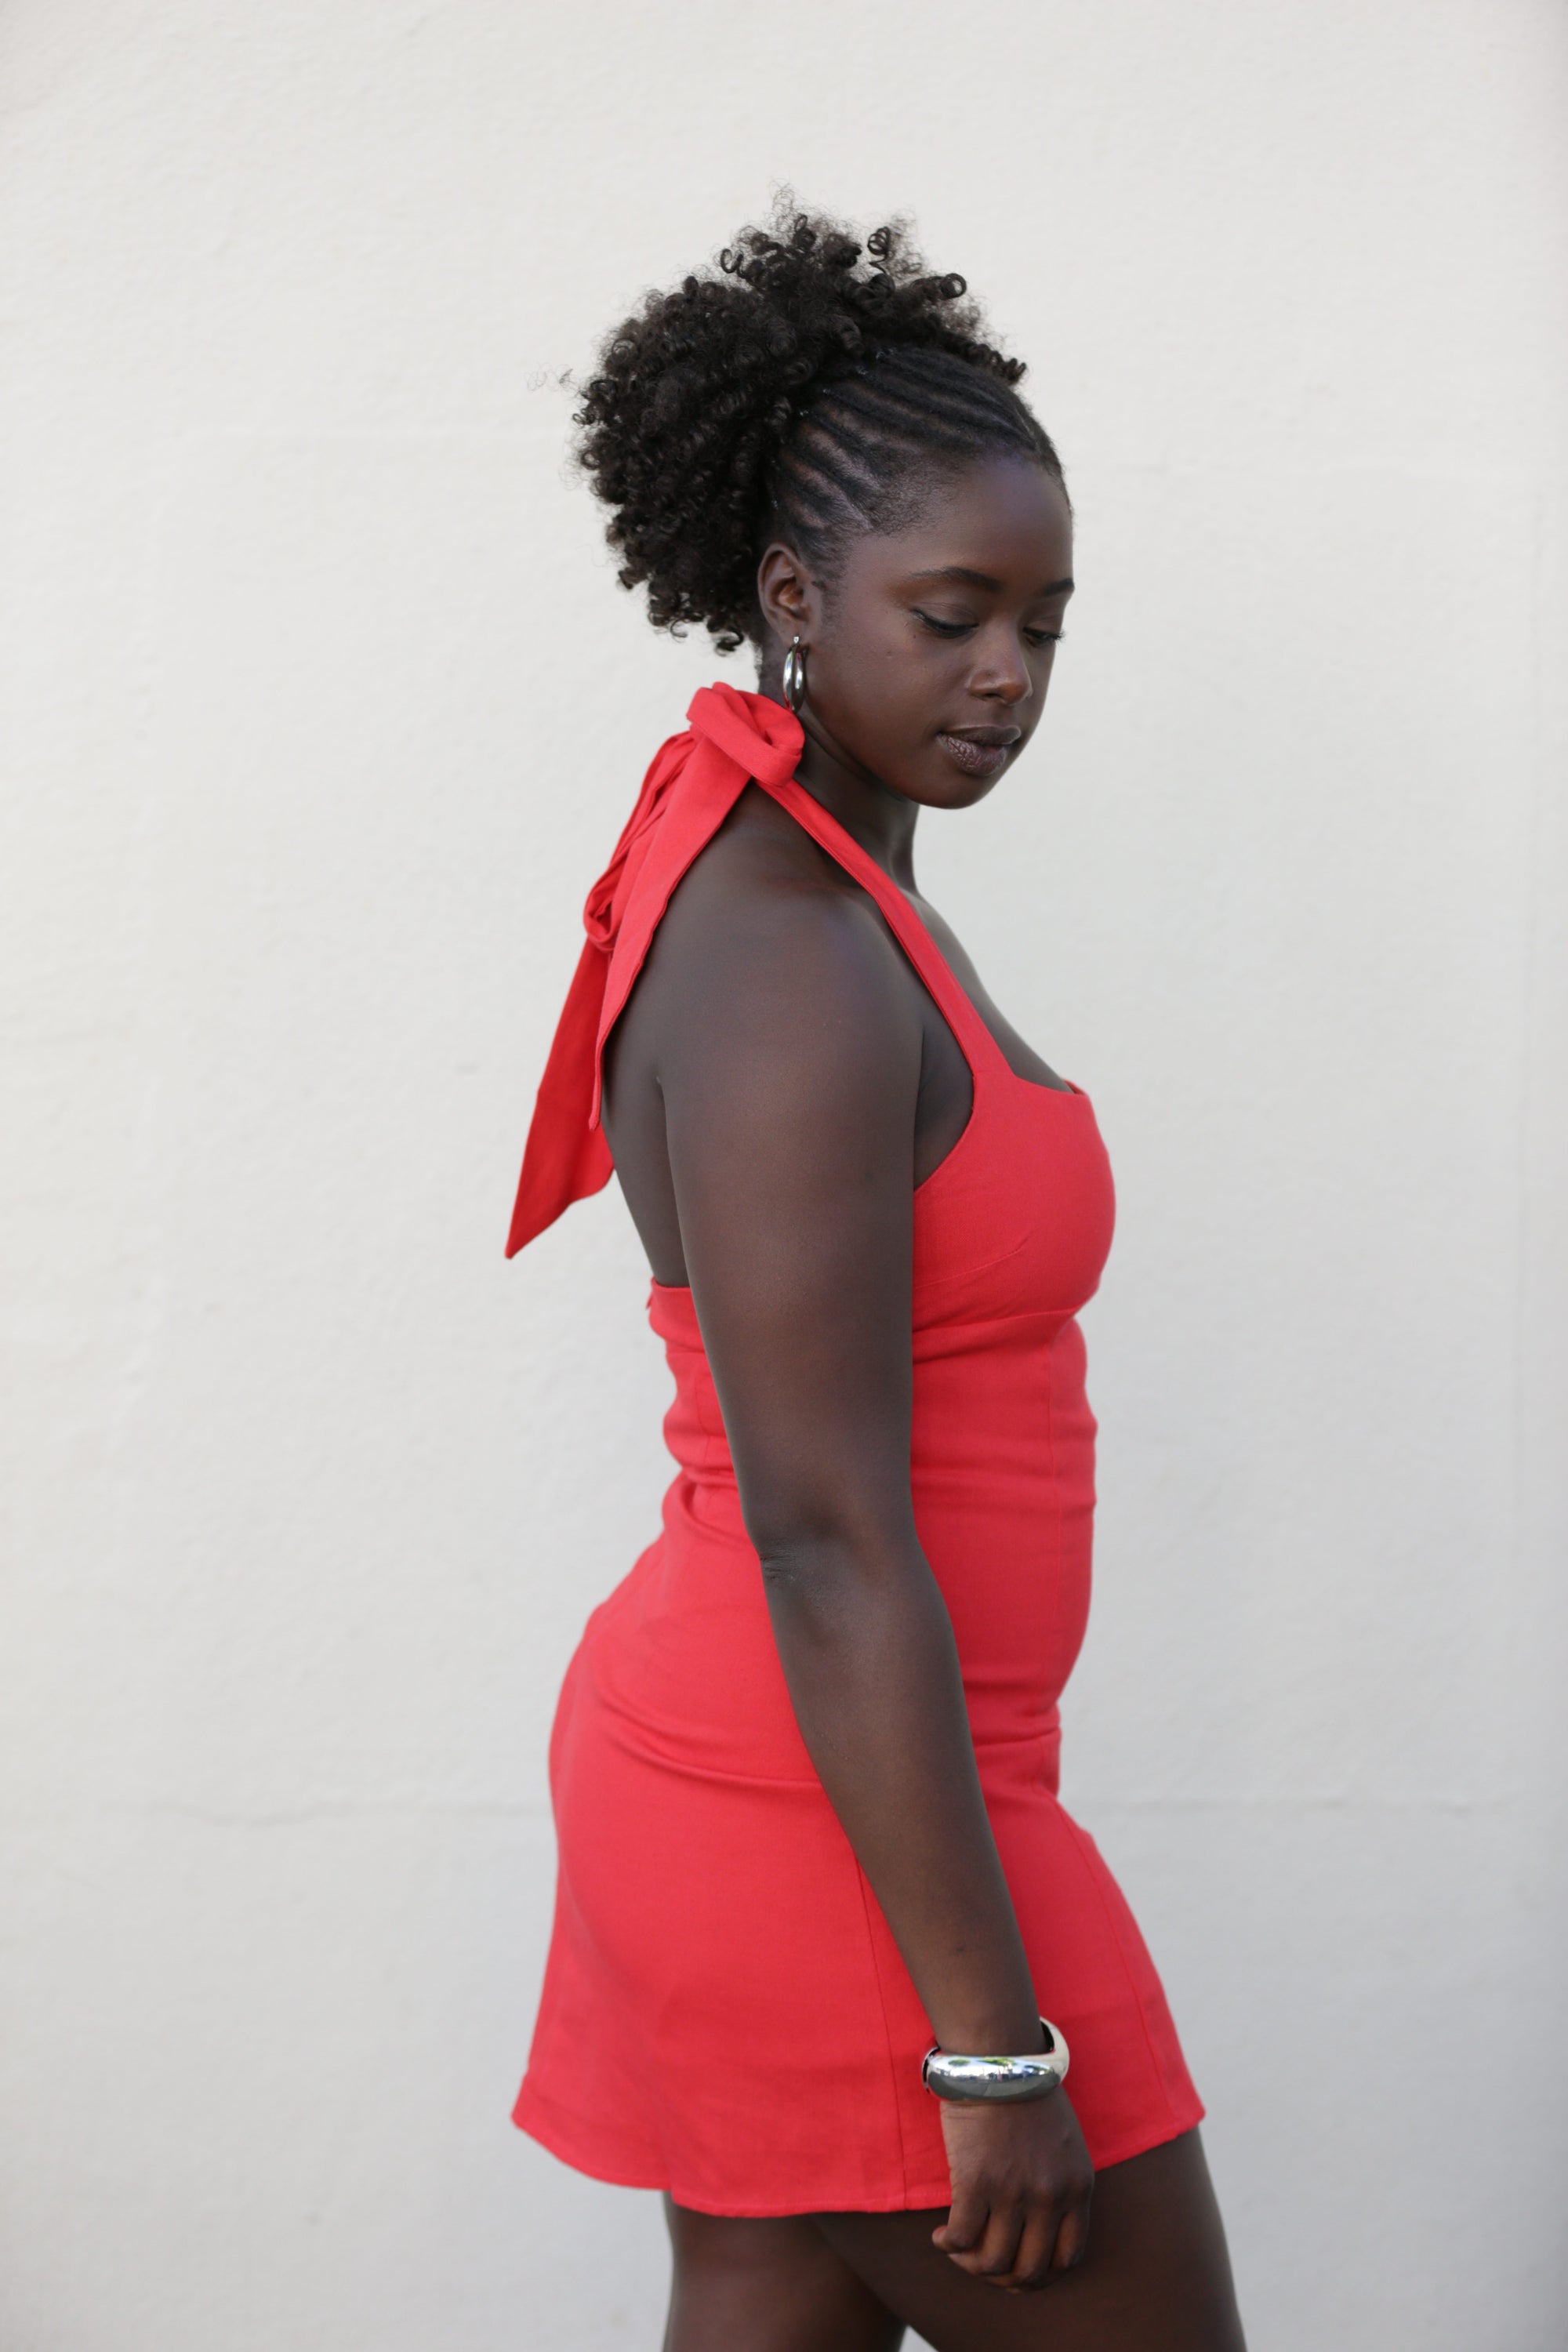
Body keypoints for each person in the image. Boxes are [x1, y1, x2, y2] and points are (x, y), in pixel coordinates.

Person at [505, 208, 1246, 2351]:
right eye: (954, 615)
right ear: (792, 597)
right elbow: (825, 1530)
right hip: (820, 1816)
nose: (1009, 673)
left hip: (831, 1784)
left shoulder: (834, 893)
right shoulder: (790, 956)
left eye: (1045, 624)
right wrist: (992, 2050)